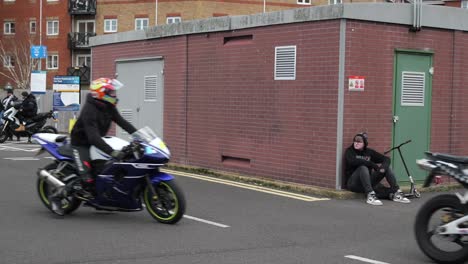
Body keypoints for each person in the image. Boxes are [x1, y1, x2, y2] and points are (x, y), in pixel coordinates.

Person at [49, 78, 137, 216]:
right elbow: (93, 137)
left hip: (96, 142)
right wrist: (112, 152)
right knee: (86, 179)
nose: (114, 95)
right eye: (111, 92)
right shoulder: (89, 110)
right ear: (101, 93)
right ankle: (57, 198)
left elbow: (123, 122)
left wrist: (139, 136)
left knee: (107, 168)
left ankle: (104, 199)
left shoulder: (108, 106)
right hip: (81, 144)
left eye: (114, 92)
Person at [344, 132, 410, 206]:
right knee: (363, 168)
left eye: (359, 141)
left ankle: (396, 192)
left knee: (387, 168)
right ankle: (370, 195)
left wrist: (383, 168)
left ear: (364, 143)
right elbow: (353, 161)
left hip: (367, 182)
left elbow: (386, 159)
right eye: (355, 141)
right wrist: (372, 164)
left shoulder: (369, 152)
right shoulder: (349, 151)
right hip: (353, 184)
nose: (356, 143)